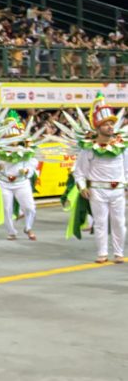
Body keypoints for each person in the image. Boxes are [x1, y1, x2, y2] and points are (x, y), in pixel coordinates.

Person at [68, 95, 127, 263]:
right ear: (98, 127)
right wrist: (82, 187)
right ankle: (102, 253)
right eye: (106, 124)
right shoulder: (89, 149)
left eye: (111, 123)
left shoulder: (122, 148)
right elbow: (79, 171)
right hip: (97, 191)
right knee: (100, 223)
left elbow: (127, 169)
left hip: (117, 190)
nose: (110, 127)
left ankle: (118, 253)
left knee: (119, 223)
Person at [0, 112, 39, 241]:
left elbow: (33, 163)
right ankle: (11, 231)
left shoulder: (25, 150)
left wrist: (27, 171)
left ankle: (28, 227)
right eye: (9, 138)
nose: (12, 141)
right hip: (4, 182)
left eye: (15, 138)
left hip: (22, 182)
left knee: (29, 207)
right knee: (6, 208)